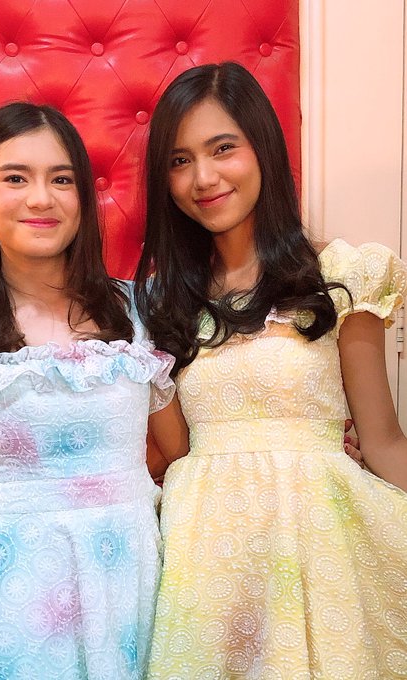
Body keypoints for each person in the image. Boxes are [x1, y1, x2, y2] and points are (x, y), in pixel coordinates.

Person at [135, 62, 407, 679]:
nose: (203, 178)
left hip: (319, 548)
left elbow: (384, 441)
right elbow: (175, 450)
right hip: (204, 555)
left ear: (263, 147)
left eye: (222, 148)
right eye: (179, 161)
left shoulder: (342, 275)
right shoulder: (160, 303)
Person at [0, 102, 184, 680]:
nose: (40, 198)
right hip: (12, 597)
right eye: (15, 178)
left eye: (61, 179)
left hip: (134, 580)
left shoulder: (140, 312)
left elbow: (178, 454)